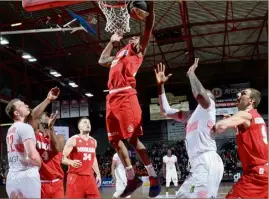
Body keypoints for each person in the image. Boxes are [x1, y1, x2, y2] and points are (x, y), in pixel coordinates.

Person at [98, 2, 161, 198]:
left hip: (126, 96)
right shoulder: (119, 54)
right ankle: (132, 177)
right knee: (115, 141)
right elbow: (101, 60)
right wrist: (112, 41)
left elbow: (148, 28)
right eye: (133, 37)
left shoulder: (137, 52)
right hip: (112, 98)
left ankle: (153, 177)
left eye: (137, 38)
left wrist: (149, 4)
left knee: (133, 139)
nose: (135, 38)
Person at [155, 60, 224, 198]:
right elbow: (165, 110)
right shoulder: (189, 116)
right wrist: (161, 86)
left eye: (207, 94)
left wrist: (191, 73)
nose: (205, 95)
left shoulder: (208, 109)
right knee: (182, 196)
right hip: (197, 164)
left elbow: (199, 93)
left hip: (207, 160)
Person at [5, 87, 60, 198]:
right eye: (21, 104)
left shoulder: (10, 130)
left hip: (12, 175)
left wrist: (48, 99)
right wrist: (38, 162)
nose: (25, 105)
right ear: (16, 112)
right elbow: (32, 155)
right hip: (27, 173)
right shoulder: (26, 127)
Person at [213, 88, 268, 198]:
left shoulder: (244, 114)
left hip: (256, 173)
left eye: (243, 94)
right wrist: (234, 123)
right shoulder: (256, 116)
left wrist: (214, 127)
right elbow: (248, 135)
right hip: (263, 171)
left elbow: (220, 126)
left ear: (251, 101)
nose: (239, 95)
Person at [62, 117, 101, 198]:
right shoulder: (73, 140)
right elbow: (62, 158)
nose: (88, 124)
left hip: (90, 178)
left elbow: (93, 159)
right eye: (85, 122)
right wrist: (70, 162)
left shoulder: (94, 141)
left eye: (89, 123)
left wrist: (98, 174)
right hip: (75, 177)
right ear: (79, 127)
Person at [35, 112, 65, 198]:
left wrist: (51, 127)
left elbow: (57, 148)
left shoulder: (60, 137)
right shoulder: (34, 136)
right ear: (38, 120)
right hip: (39, 182)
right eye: (46, 116)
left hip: (56, 182)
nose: (49, 117)